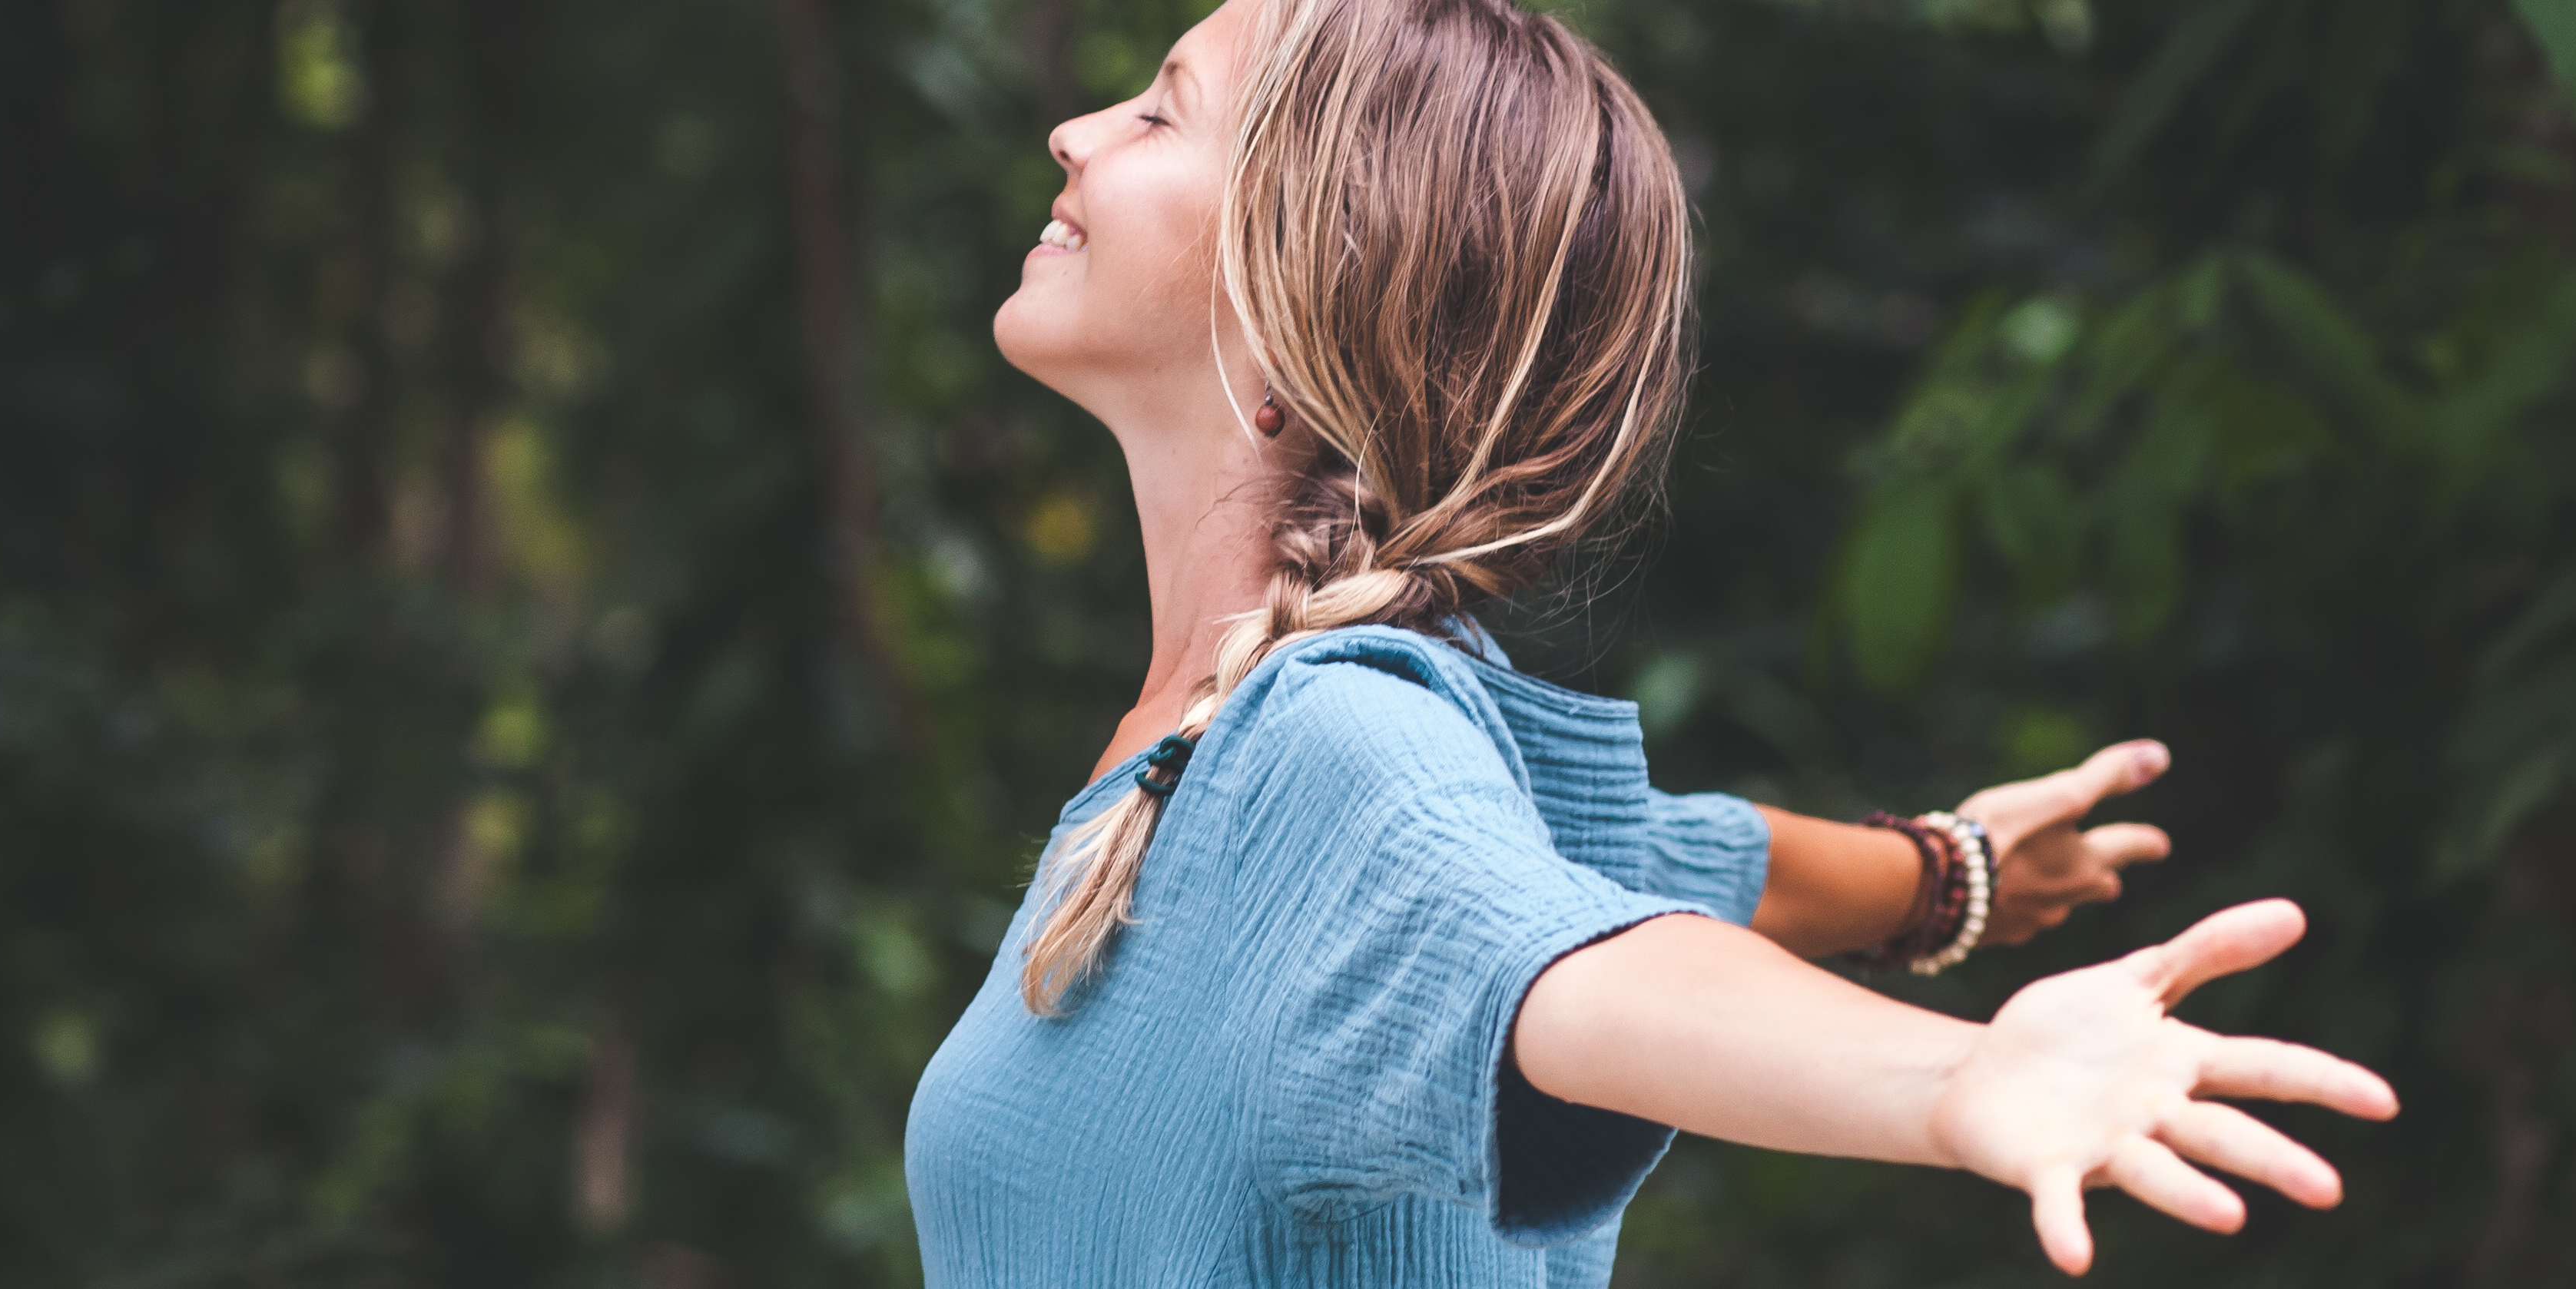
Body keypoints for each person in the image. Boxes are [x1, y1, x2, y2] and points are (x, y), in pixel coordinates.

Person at [902, 1, 2399, 1283]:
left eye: (1164, 114)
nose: (1076, 133)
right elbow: (1655, 863)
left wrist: (1955, 1076)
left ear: (1305, 285)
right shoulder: (1251, 749)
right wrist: (1945, 876)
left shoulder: (1326, 746)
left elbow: (1584, 970)